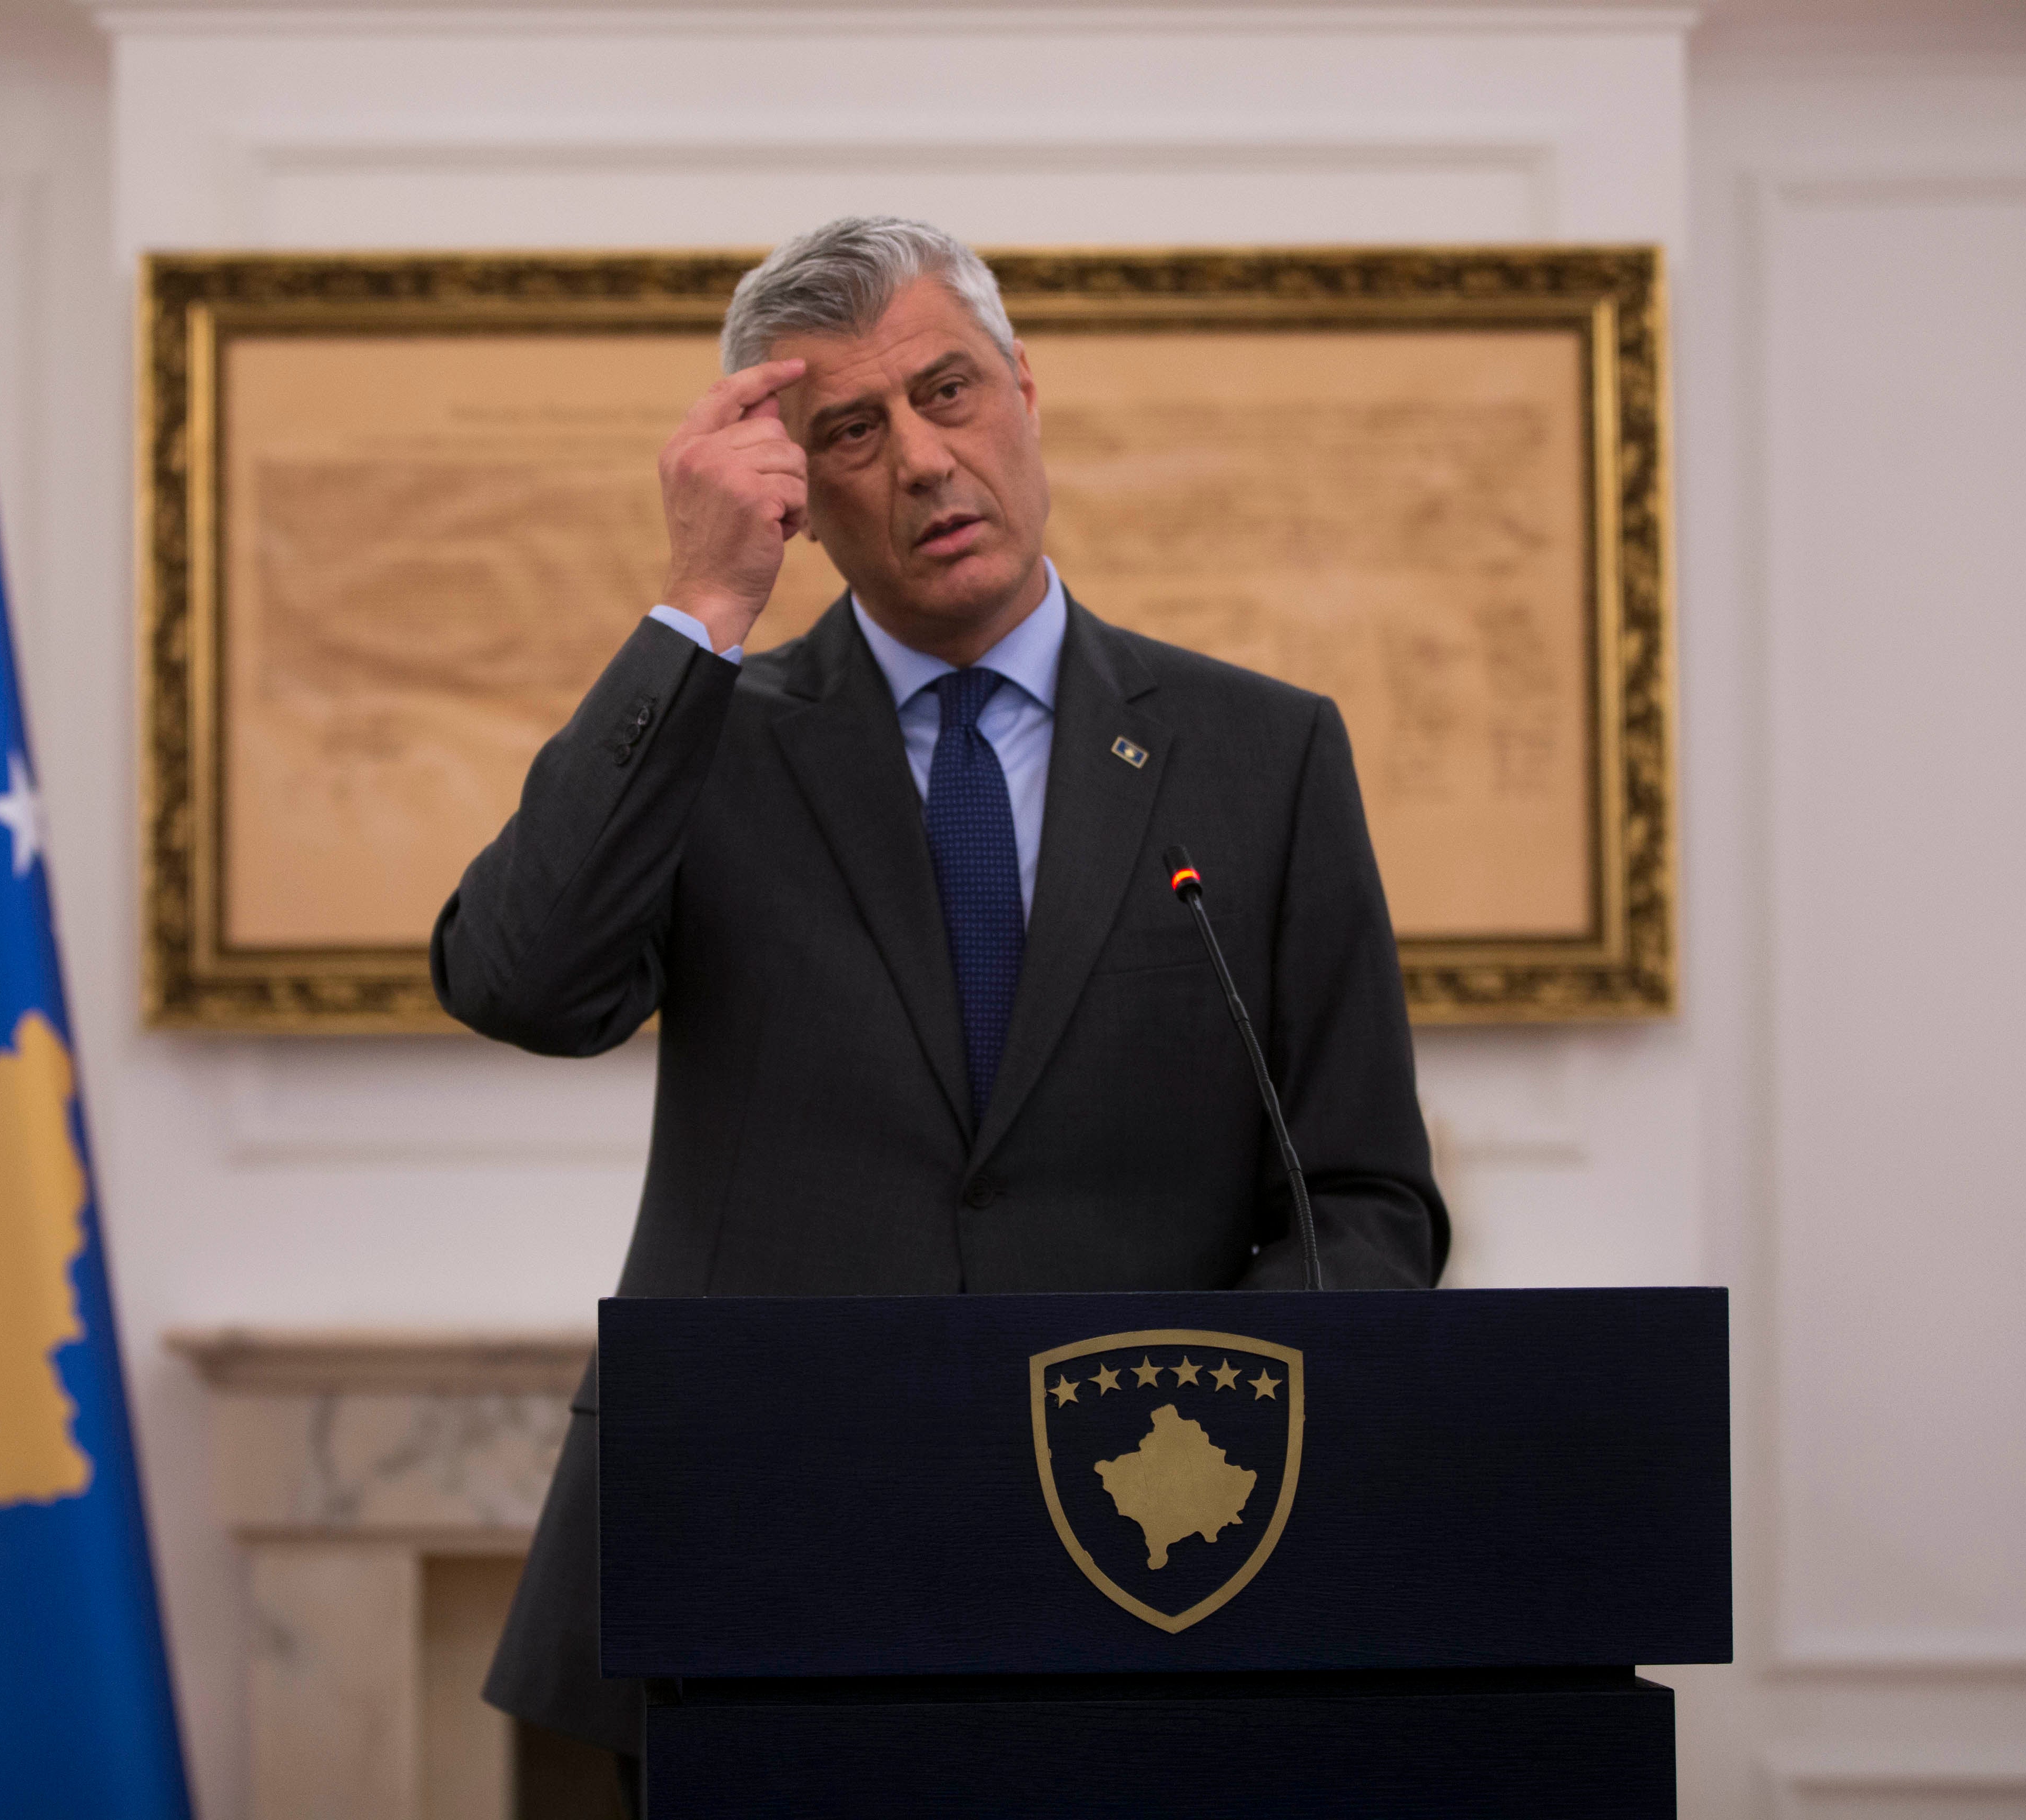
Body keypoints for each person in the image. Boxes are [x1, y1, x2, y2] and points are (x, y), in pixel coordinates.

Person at [432, 216, 1446, 1805]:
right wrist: (699, 603)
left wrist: (1216, 1442)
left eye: (949, 392)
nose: (919, 458)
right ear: (799, 492)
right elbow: (517, 982)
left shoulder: (1265, 757)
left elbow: (1364, 1198)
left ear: (1025, 394)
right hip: (753, 1576)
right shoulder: (712, 739)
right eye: (850, 431)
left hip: (1150, 1569)